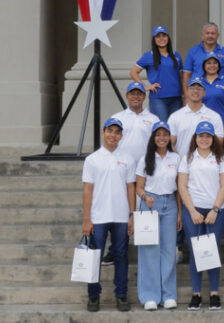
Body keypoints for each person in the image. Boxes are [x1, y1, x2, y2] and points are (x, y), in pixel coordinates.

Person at [81, 117, 136, 312]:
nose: (113, 135)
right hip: (98, 216)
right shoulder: (92, 159)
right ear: (103, 133)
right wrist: (87, 218)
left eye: (117, 132)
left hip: (121, 216)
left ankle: (121, 295)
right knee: (95, 257)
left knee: (121, 255)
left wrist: (132, 214)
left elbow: (131, 188)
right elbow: (88, 190)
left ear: (121, 136)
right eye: (110, 131)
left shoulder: (128, 158)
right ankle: (93, 295)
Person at [177, 120, 224, 312]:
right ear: (196, 138)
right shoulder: (188, 158)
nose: (205, 139)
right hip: (194, 210)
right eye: (201, 136)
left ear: (213, 138)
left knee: (212, 252)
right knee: (196, 253)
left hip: (216, 211)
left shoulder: (220, 158)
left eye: (208, 136)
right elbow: (182, 185)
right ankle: (196, 293)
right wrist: (191, 211)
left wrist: (215, 209)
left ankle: (214, 293)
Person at [134, 121, 181, 310]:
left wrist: (179, 213)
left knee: (169, 250)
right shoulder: (145, 159)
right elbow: (138, 187)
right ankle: (149, 296)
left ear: (169, 137)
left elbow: (179, 188)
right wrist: (145, 197)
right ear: (153, 138)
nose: (162, 138)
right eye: (158, 134)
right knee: (149, 250)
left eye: (165, 134)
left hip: (170, 203)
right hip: (150, 203)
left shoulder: (176, 158)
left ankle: (168, 295)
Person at [130, 25, 183, 121]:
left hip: (176, 98)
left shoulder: (176, 55)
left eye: (164, 35)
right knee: (161, 128)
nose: (161, 38)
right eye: (158, 36)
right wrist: (145, 87)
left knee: (175, 129)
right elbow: (133, 72)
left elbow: (181, 76)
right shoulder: (149, 56)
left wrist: (185, 94)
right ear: (154, 39)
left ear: (168, 38)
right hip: (158, 98)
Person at [168, 76, 224, 158]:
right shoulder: (175, 116)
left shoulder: (214, 116)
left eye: (199, 88)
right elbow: (170, 143)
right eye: (192, 88)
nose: (195, 91)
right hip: (181, 166)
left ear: (204, 92)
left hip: (206, 166)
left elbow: (218, 143)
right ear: (187, 91)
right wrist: (180, 162)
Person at [108, 82, 159, 162]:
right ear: (127, 96)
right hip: (121, 164)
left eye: (139, 94)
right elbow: (109, 142)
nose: (136, 97)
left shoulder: (154, 119)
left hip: (145, 165)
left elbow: (157, 144)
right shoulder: (117, 118)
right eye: (132, 94)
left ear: (144, 96)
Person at [181, 23, 224, 91]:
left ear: (218, 36)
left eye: (213, 33)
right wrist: (186, 95)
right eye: (207, 33)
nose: (210, 36)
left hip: (219, 93)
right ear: (202, 35)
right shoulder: (193, 51)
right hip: (196, 92)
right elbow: (186, 75)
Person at [198, 52, 224, 128]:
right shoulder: (198, 83)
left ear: (219, 66)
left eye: (215, 63)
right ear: (204, 66)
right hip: (202, 124)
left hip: (223, 123)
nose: (212, 66)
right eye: (209, 63)